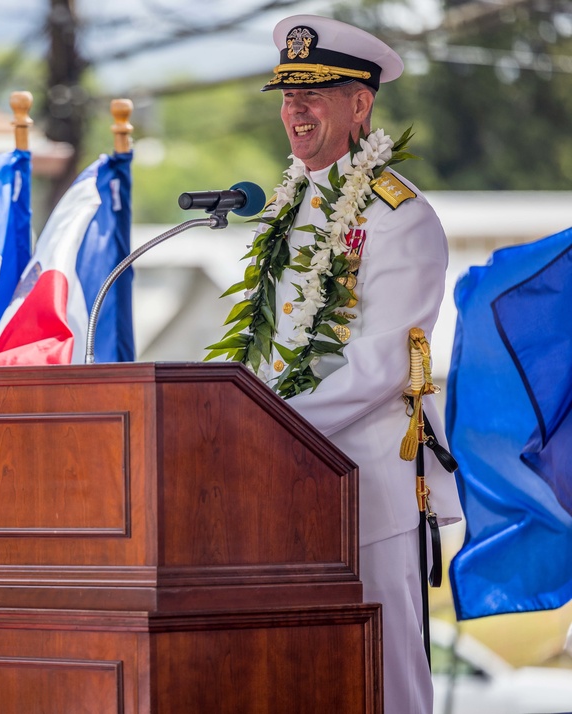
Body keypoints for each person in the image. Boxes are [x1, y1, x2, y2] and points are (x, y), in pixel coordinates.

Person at [213, 15, 464, 714]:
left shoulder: (399, 218)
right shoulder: (289, 205)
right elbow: (278, 347)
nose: (296, 109)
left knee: (384, 676)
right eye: (288, 94)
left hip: (368, 491)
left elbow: (384, 361)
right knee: (300, 674)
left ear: (362, 104)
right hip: (283, 488)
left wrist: (265, 423)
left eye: (317, 92)